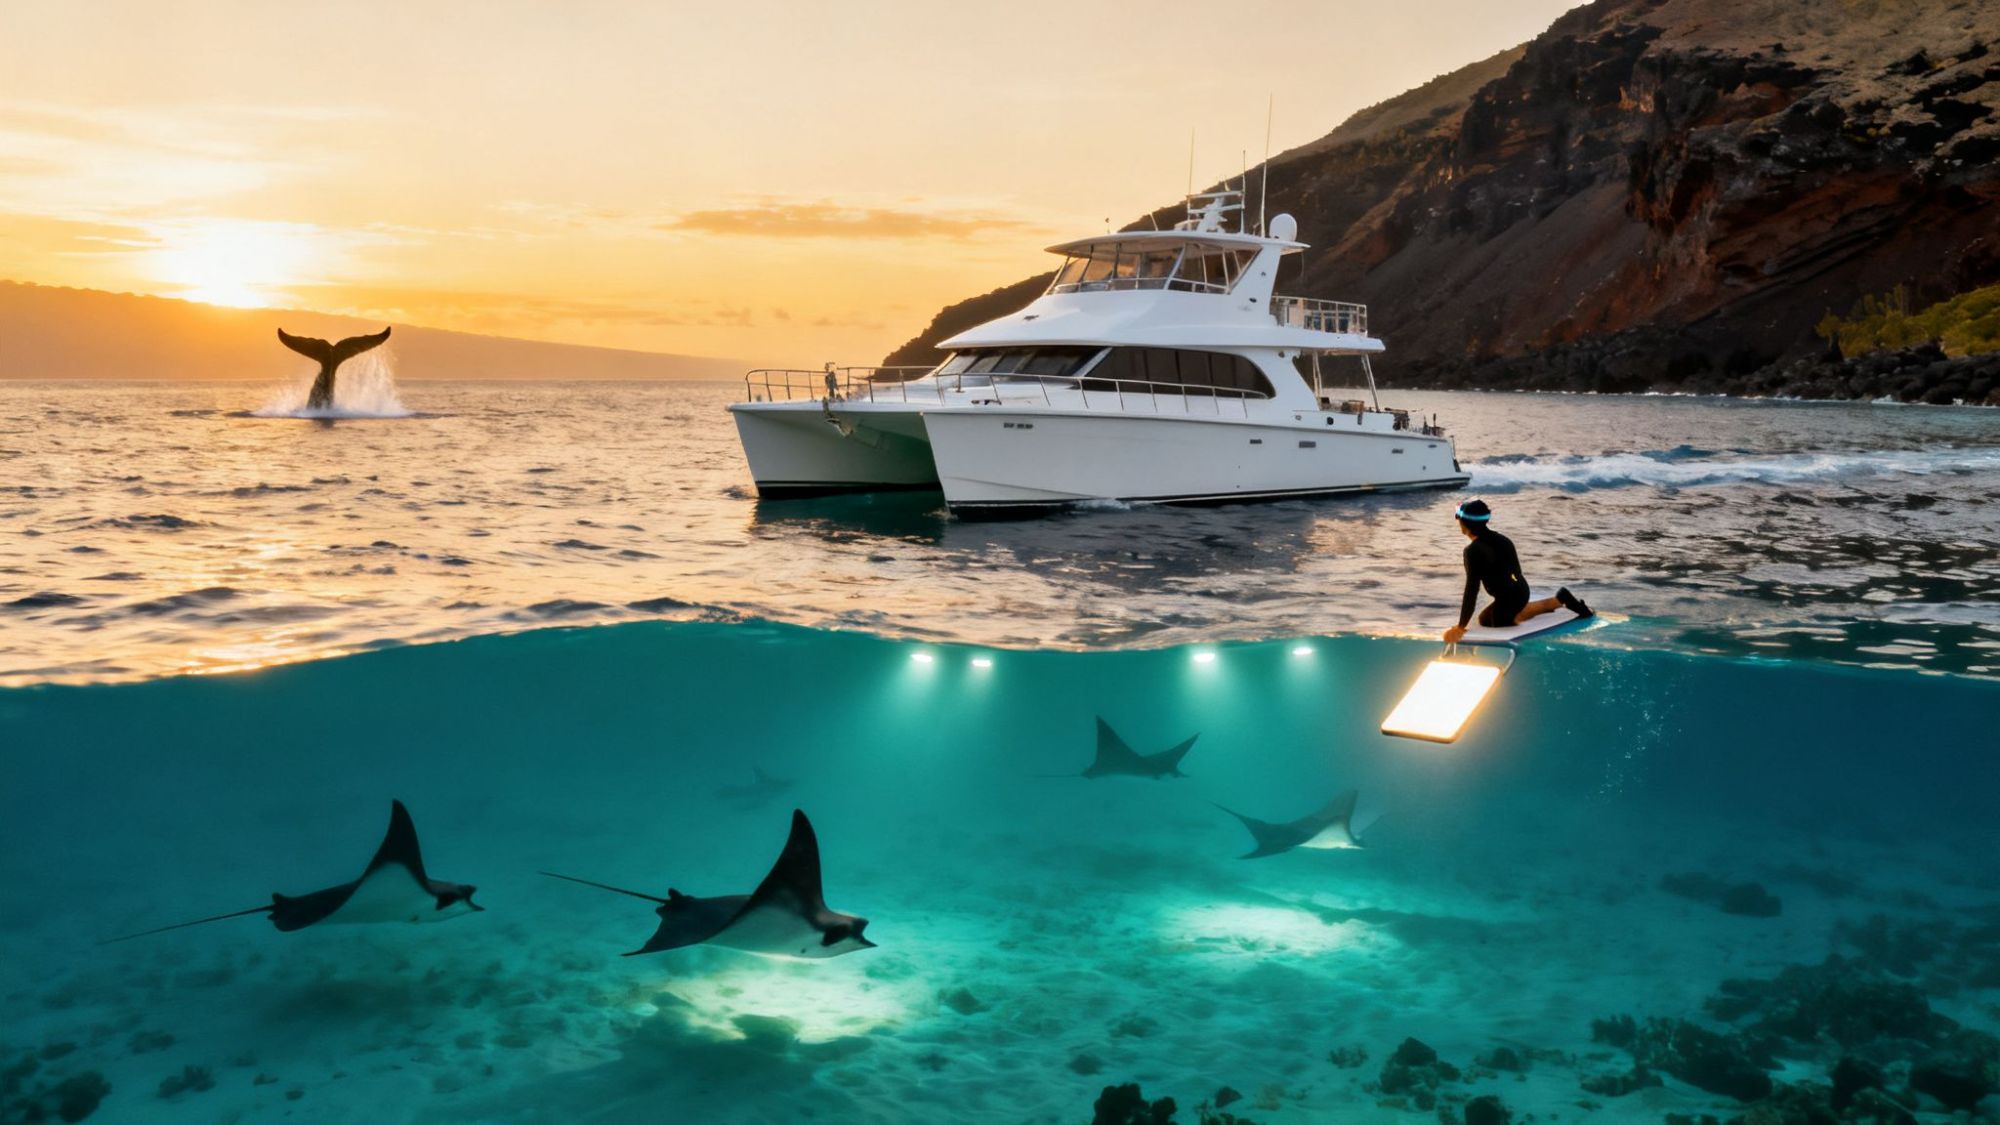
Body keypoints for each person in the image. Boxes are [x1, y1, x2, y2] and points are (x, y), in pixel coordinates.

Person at [1442, 499, 1591, 644]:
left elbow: (1471, 589)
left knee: (1499, 622)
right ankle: (1558, 599)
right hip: (1520, 590)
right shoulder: (1502, 539)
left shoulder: (1472, 551)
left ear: (1465, 523)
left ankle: (1555, 602)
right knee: (1485, 620)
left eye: (1459, 518)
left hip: (1510, 596)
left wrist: (1460, 627)